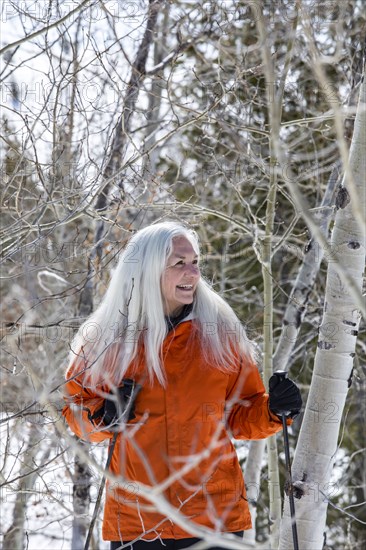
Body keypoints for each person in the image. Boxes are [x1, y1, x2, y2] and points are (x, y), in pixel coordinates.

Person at [63, 221, 302, 550]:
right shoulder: (106, 337)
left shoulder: (220, 332)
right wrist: (103, 415)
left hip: (214, 520)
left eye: (195, 262)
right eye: (179, 264)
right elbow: (73, 411)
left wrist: (274, 410)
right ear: (147, 270)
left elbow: (241, 415)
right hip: (138, 522)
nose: (192, 273)